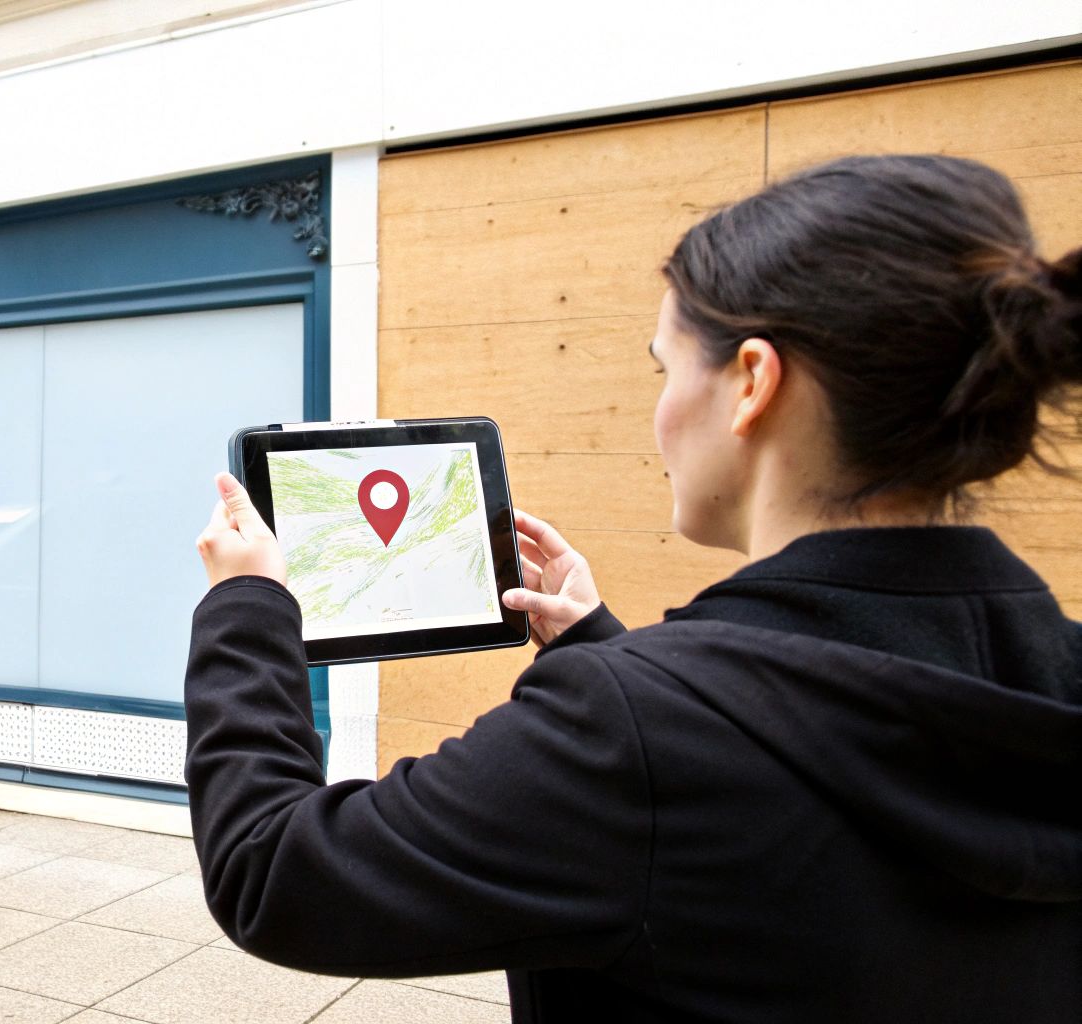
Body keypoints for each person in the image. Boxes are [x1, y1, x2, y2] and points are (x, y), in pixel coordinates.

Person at [183, 154, 1082, 1022]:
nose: (659, 412)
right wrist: (600, 647)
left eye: (665, 366)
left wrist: (248, 608)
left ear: (752, 382)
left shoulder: (628, 733)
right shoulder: (1055, 669)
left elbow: (277, 874)